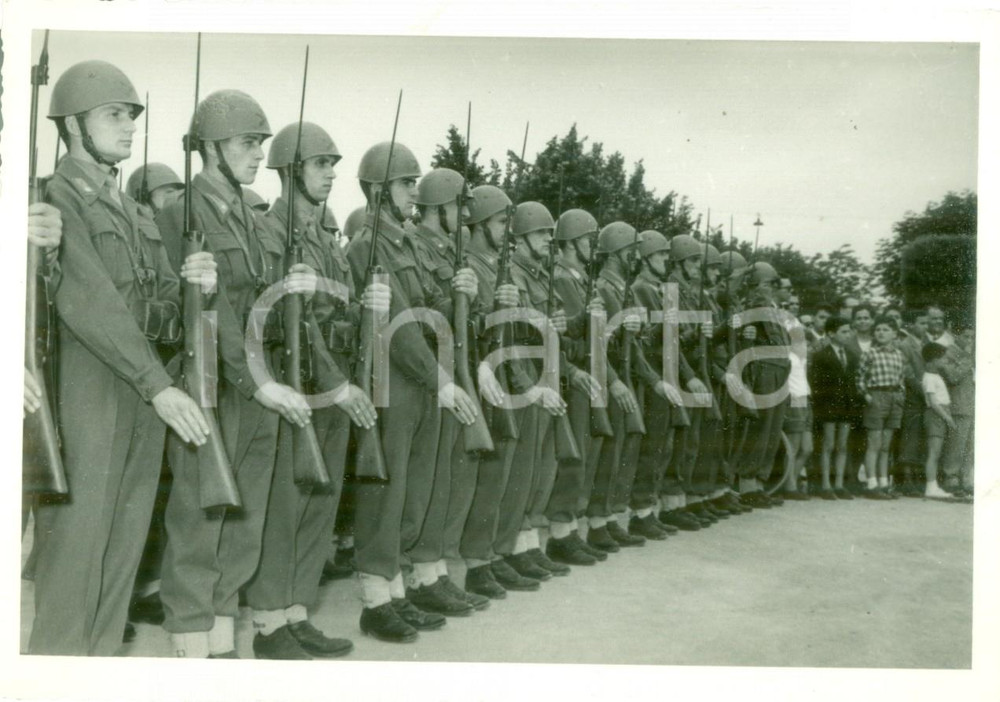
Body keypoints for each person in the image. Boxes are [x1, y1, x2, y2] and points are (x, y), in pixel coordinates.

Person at [30, 61, 215, 656]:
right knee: (77, 556)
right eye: (114, 114)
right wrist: (157, 384)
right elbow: (91, 303)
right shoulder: (55, 198)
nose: (130, 125)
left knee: (123, 554)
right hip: (90, 393)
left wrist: (197, 285)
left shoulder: (134, 210)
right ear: (74, 124)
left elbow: (163, 294)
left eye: (131, 115)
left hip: (143, 391)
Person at [156, 89, 314, 659]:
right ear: (213, 147)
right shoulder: (181, 214)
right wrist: (258, 381)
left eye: (260, 144)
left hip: (258, 381)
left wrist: (295, 288)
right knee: (201, 521)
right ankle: (192, 645)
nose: (258, 155)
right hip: (214, 384)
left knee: (244, 521)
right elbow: (207, 310)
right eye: (248, 143)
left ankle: (221, 642)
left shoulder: (254, 220)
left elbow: (260, 302)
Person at [243, 121, 387, 659]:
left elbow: (338, 314)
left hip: (335, 382)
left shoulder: (327, 242)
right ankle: (268, 621)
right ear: (290, 170)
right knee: (288, 504)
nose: (331, 174)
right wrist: (338, 384)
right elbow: (297, 322)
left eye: (332, 165)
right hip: (300, 382)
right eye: (320, 164)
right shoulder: (270, 231)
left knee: (319, 505)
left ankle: (297, 612)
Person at [344, 141, 482, 643]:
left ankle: (398, 590)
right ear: (378, 190)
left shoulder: (407, 245)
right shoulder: (367, 246)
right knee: (385, 494)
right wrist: (439, 379)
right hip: (393, 380)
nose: (413, 192)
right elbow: (399, 325)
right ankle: (375, 600)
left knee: (413, 490)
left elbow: (428, 310)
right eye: (405, 183)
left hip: (420, 378)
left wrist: (461, 295)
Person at [404, 168, 491, 614]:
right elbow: (422, 310)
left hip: (455, 366)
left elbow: (469, 319)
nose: (466, 215)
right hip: (427, 372)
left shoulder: (453, 253)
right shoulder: (415, 245)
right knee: (429, 480)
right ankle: (421, 574)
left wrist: (472, 296)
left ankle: (434, 570)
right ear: (439, 208)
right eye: (460, 206)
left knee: (449, 478)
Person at [457, 184, 538, 599]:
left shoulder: (496, 268)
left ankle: (493, 553)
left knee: (504, 472)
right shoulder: (470, 266)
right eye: (501, 222)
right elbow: (470, 326)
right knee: (489, 475)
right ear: (479, 224)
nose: (508, 230)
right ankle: (477, 560)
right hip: (484, 376)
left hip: (504, 374)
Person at [546, 208, 615, 563]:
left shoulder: (580, 278)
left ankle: (570, 528)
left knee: (586, 453)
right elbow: (570, 338)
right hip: (575, 376)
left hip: (587, 374)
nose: (593, 247)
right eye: (588, 240)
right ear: (572, 243)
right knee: (574, 458)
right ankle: (561, 532)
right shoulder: (562, 278)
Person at [729, 261, 791, 508]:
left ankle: (758, 483)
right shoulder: (755, 307)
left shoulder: (773, 308)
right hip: (763, 372)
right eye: (765, 284)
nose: (769, 288)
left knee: (772, 431)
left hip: (779, 371)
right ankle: (747, 484)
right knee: (760, 430)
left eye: (771, 284)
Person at [808, 316, 862, 499]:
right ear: (831, 334)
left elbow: (853, 383)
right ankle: (825, 484)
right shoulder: (821, 356)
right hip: (828, 406)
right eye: (843, 332)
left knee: (842, 445)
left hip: (846, 406)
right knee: (828, 444)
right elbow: (816, 384)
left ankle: (839, 484)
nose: (848, 335)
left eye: (849, 331)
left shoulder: (851, 356)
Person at [856, 315, 909, 500]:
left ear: (894, 333)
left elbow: (901, 378)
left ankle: (884, 483)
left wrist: (900, 394)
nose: (881, 333)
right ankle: (872, 483)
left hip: (894, 397)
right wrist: (867, 396)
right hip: (876, 395)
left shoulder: (899, 355)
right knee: (874, 443)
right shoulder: (870, 353)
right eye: (878, 329)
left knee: (886, 445)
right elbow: (860, 378)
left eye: (886, 329)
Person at [938, 322, 974, 498]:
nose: (969, 340)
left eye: (972, 337)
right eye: (966, 336)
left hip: (971, 404)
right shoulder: (948, 353)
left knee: (970, 445)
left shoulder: (971, 354)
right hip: (958, 404)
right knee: (956, 444)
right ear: (955, 335)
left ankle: (965, 478)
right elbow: (952, 376)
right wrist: (968, 359)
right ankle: (950, 477)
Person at [920, 343, 954, 500]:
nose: (945, 361)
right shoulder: (929, 378)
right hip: (936, 415)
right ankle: (931, 486)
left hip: (941, 413)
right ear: (934, 359)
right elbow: (933, 402)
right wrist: (947, 417)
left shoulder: (935, 376)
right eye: (943, 358)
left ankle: (933, 485)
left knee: (937, 452)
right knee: (934, 452)